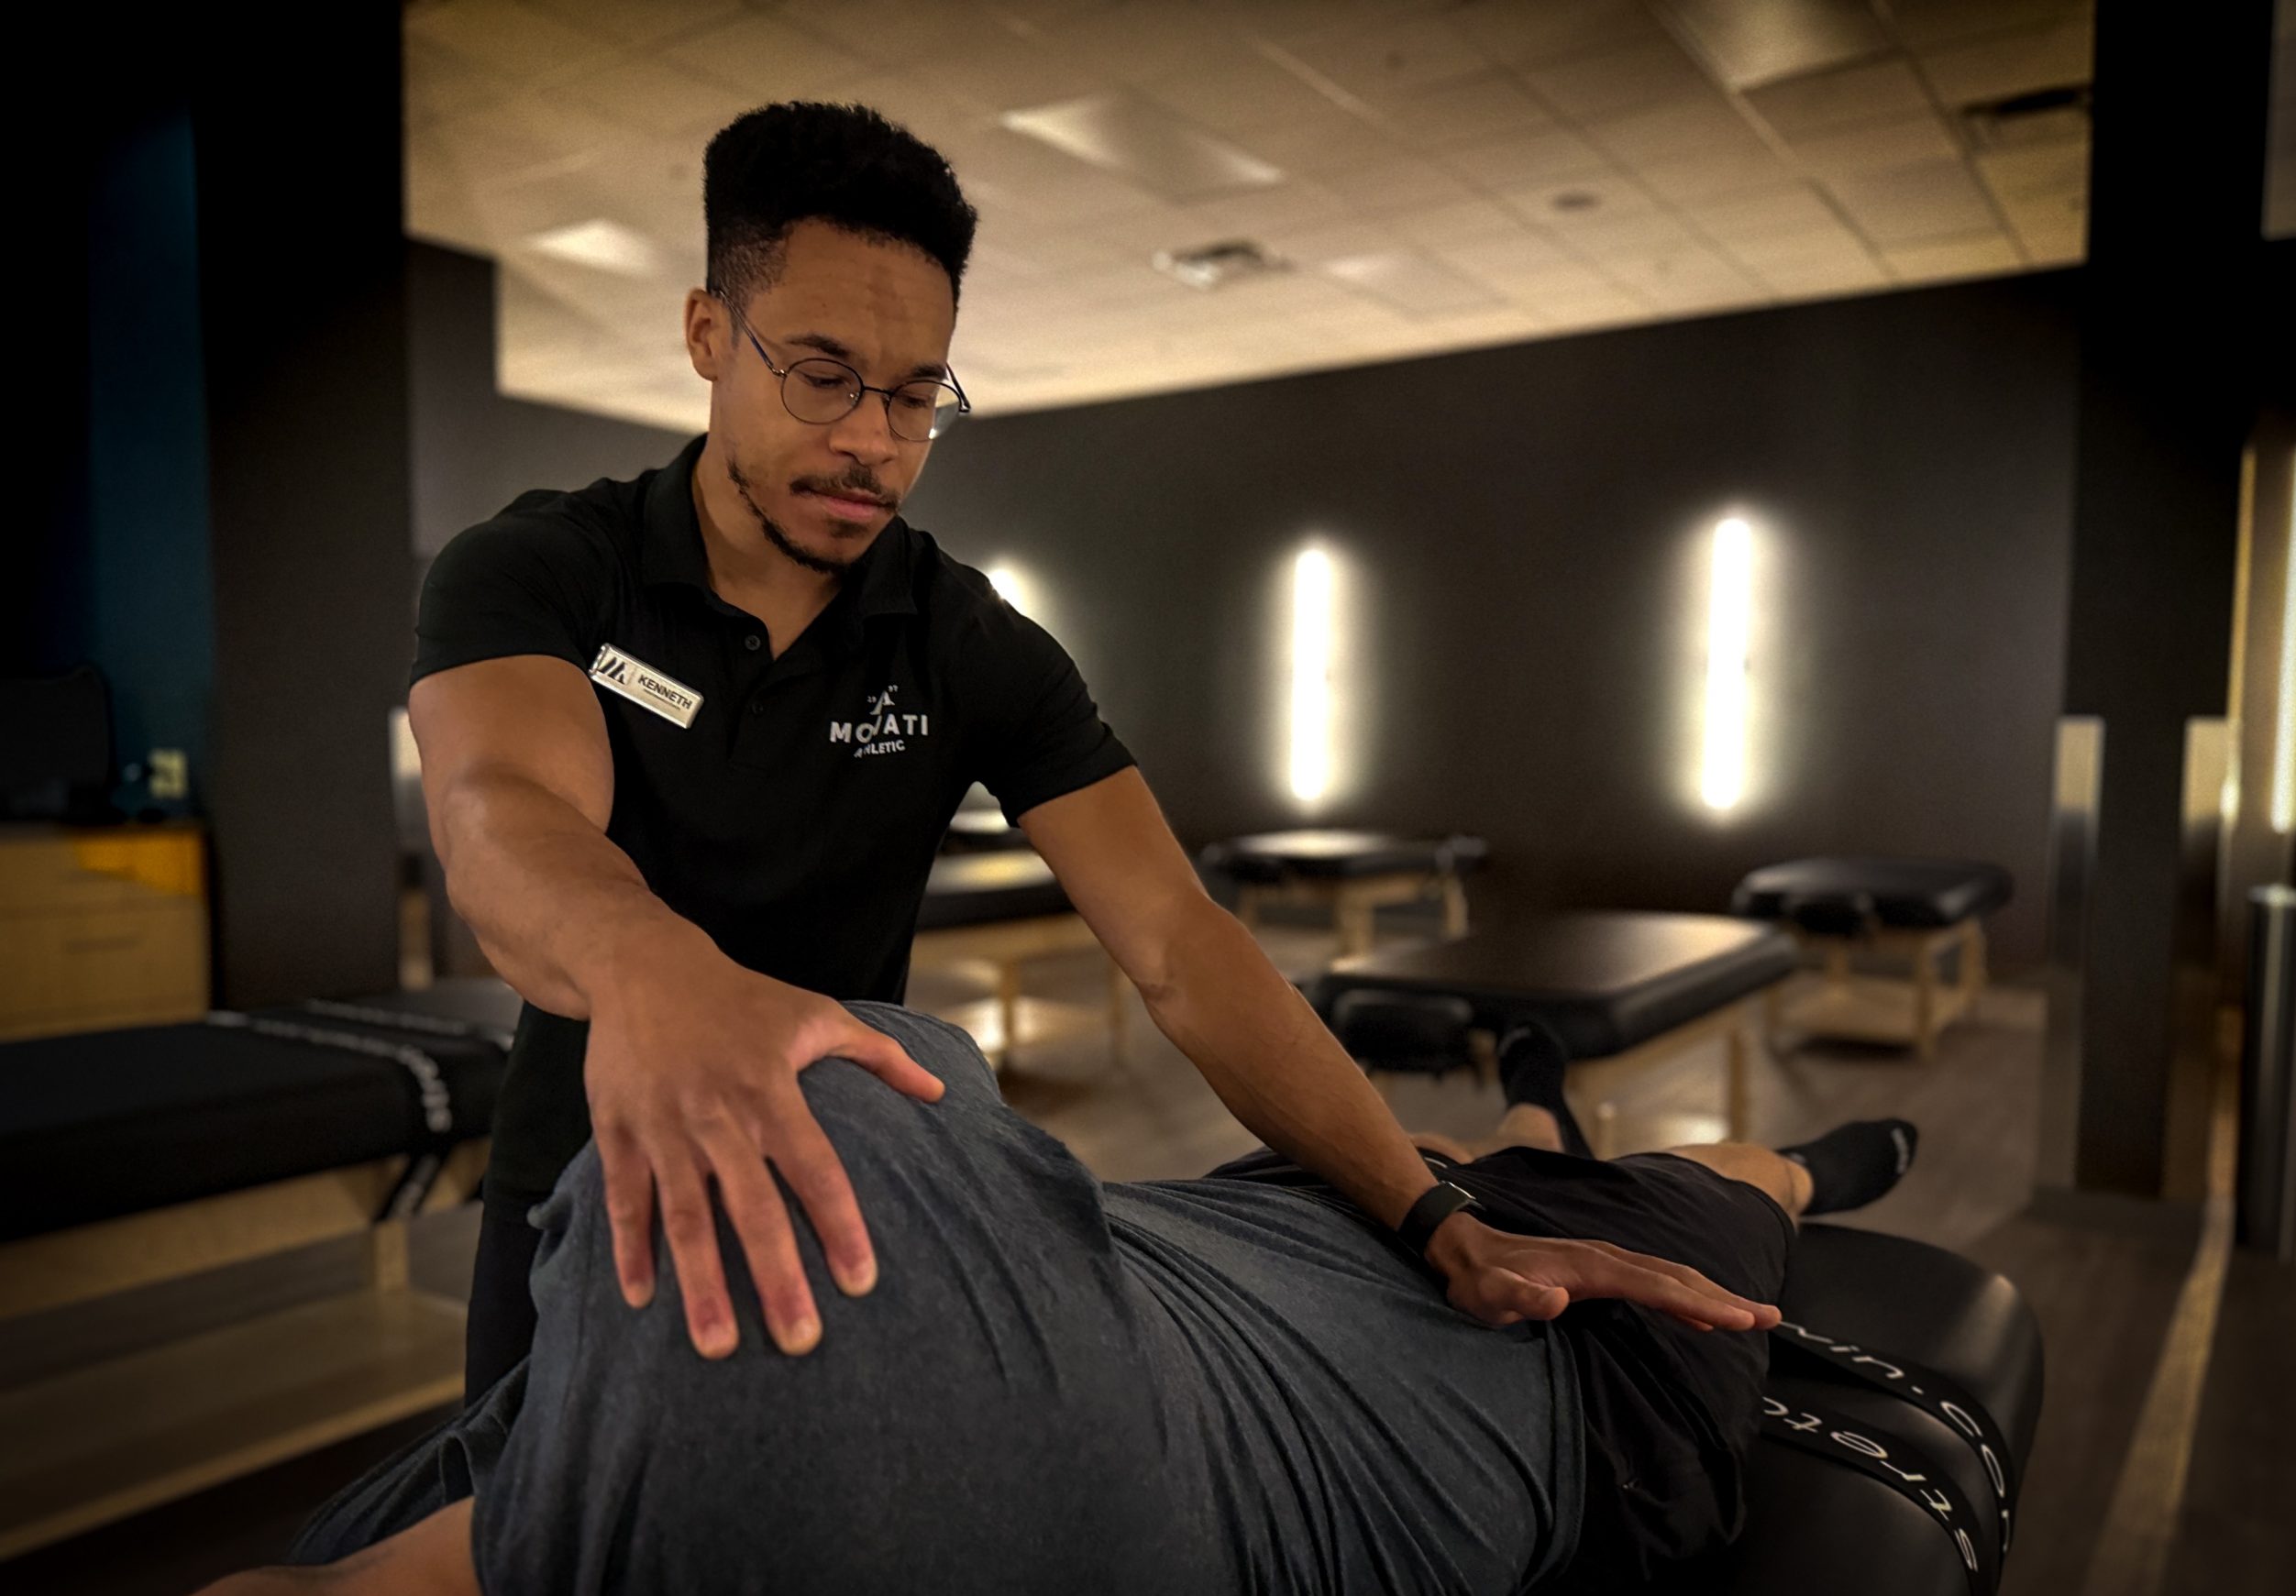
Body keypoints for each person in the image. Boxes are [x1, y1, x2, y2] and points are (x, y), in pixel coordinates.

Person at [410, 97, 1619, 1402]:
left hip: (854, 1197)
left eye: (915, 394)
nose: (873, 440)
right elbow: (503, 812)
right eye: (821, 375)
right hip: (579, 1192)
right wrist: (660, 971)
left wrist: (1430, 1215)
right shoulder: (542, 570)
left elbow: (1180, 943)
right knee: (519, 1529)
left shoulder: (965, 639)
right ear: (708, 333)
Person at [6, 1010, 1925, 1596]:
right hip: (1564, 1397)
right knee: (1706, 1194)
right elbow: (872, 1061)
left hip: (1224, 1257)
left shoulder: (420, 1583)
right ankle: (1810, 1165)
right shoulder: (748, 1291)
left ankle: (1532, 1102)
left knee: (1448, 1160)